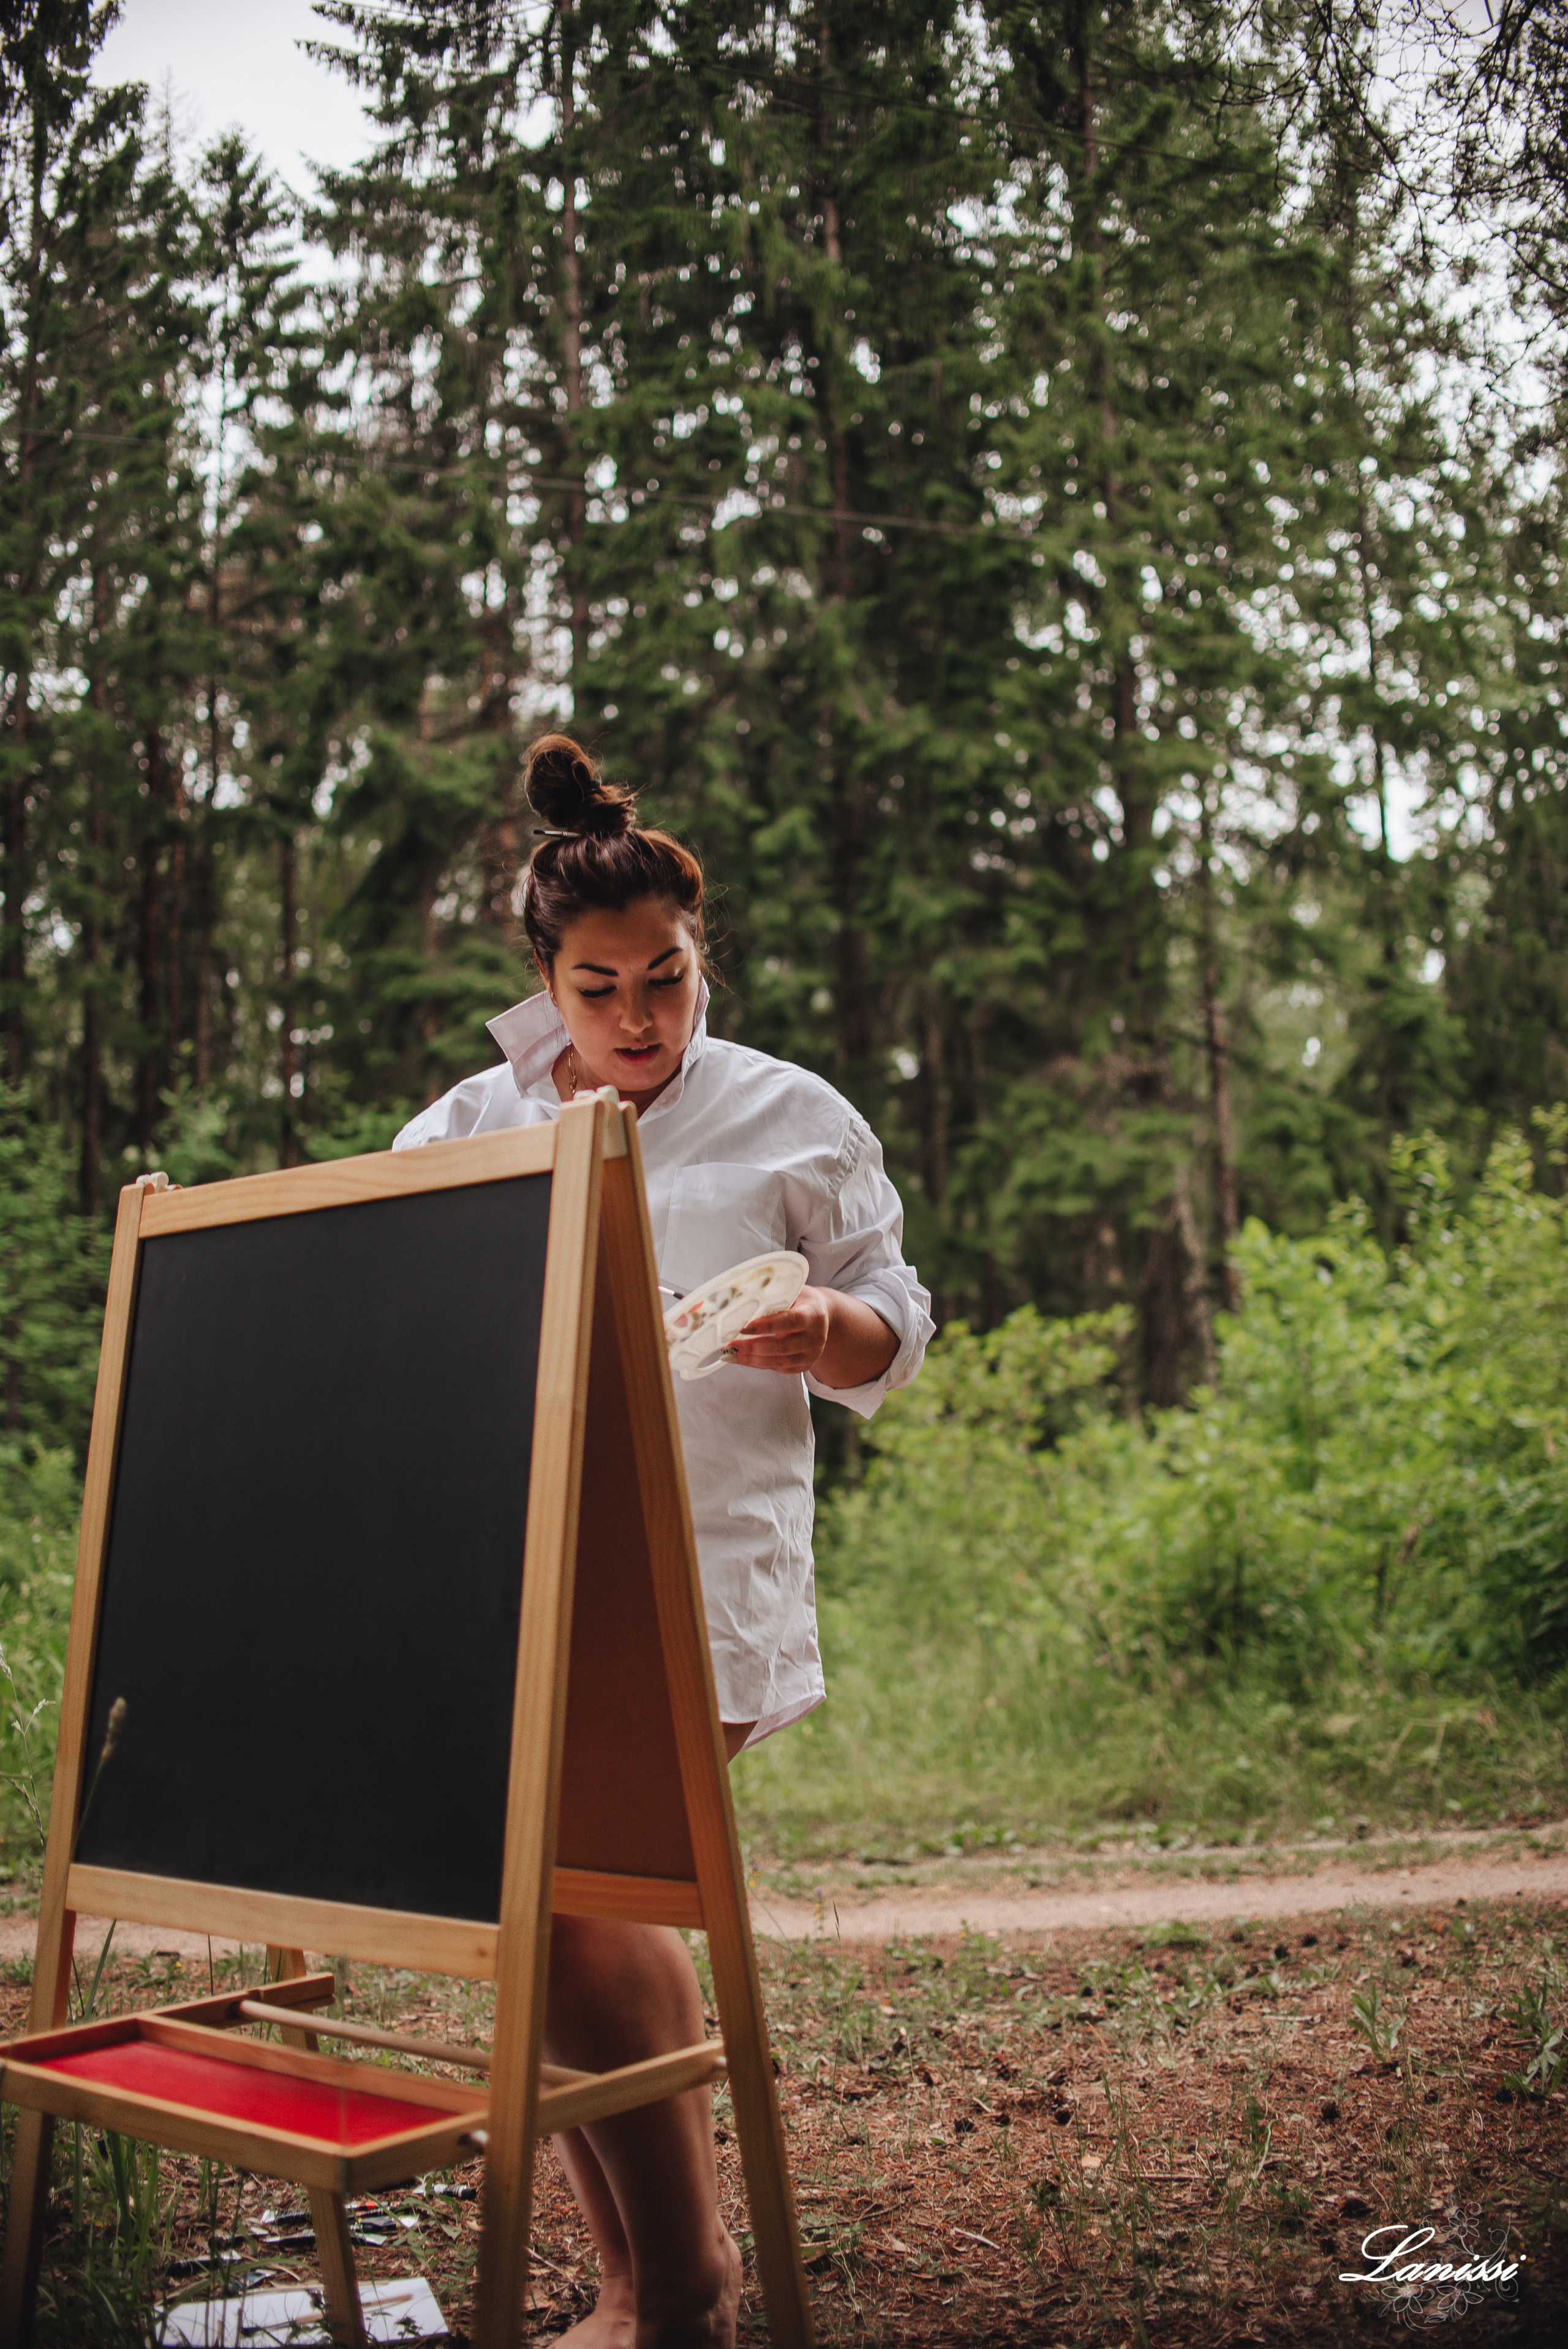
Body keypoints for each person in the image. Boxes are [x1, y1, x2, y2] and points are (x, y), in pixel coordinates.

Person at [394, 733, 932, 2349]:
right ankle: (640, 2279)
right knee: (545, 1905)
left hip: (701, 1569)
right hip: (520, 1571)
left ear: (705, 964)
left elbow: (897, 1311)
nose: (642, 1018)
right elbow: (406, 1318)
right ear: (547, 980)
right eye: (602, 985)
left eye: (670, 980)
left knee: (571, 1893)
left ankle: (683, 2288)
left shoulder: (790, 1115)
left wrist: (828, 1323)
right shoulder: (464, 1126)